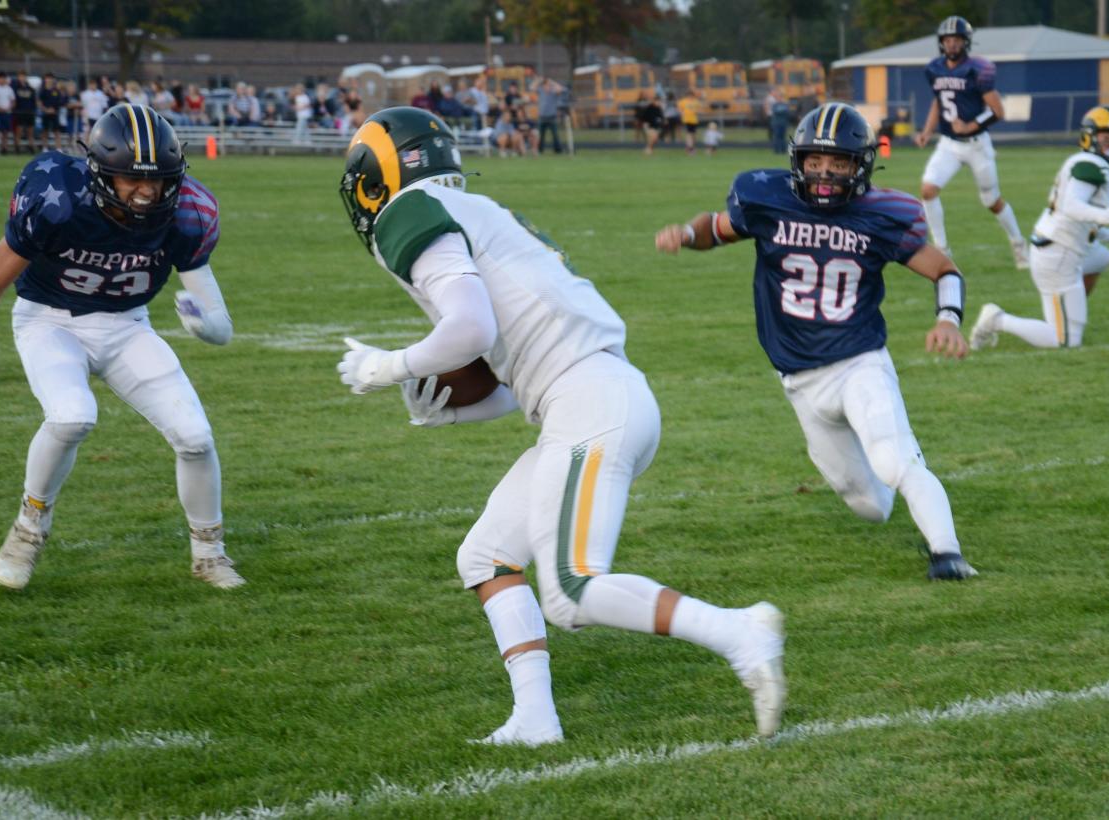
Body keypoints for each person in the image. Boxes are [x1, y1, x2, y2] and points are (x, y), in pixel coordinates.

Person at [335, 106, 787, 745]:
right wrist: (443, 403)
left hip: (591, 400)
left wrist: (388, 366)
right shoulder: (477, 210)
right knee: (486, 557)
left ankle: (740, 632)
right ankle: (535, 718)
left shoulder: (408, 213)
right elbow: (518, 373)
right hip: (588, 394)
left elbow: (472, 330)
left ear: (373, 176)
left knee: (573, 589)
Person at [654, 102, 977, 582]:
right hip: (799, 380)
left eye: (839, 163)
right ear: (798, 160)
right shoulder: (766, 199)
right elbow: (718, 229)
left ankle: (947, 554)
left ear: (861, 165)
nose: (825, 173)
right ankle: (903, 486)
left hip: (858, 362)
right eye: (816, 161)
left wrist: (948, 319)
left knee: (894, 457)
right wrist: (685, 232)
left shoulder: (881, 215)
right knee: (870, 505)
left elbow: (943, 269)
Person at [0, 103, 243, 591]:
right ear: (102, 173)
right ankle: (29, 527)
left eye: (159, 179)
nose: (148, 192)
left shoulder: (187, 211)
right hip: (50, 320)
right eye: (132, 179)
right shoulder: (57, 198)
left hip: (127, 325)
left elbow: (221, 325)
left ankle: (210, 551)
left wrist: (202, 326)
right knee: (72, 416)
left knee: (195, 436)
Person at [970, 107, 1109, 352]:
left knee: (1103, 257)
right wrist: (1102, 215)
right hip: (1059, 255)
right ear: (1090, 136)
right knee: (1064, 341)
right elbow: (1070, 205)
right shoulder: (1092, 166)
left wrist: (1103, 232)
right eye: (1107, 136)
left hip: (1059, 245)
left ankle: (1069, 307)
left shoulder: (1086, 161)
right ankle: (997, 319)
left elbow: (1070, 212)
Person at [914, 16, 1028, 268]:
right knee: (928, 190)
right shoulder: (934, 68)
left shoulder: (978, 69)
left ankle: (1018, 243)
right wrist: (927, 130)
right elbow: (938, 101)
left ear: (965, 42)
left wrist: (970, 125)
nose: (952, 44)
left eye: (956, 40)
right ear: (941, 42)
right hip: (949, 144)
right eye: (948, 40)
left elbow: (997, 110)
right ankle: (942, 250)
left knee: (992, 201)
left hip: (977, 145)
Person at [535, 77, 564, 154]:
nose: (547, 87)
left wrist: (552, 81)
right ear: (543, 86)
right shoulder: (540, 91)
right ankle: (540, 150)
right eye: (545, 85)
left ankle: (558, 150)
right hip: (542, 117)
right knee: (540, 135)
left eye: (548, 85)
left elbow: (561, 89)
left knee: (555, 135)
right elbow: (531, 87)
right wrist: (538, 80)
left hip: (552, 117)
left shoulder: (553, 92)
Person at [765, 87, 790, 154]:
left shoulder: (784, 104)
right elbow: (776, 111)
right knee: (777, 137)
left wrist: (780, 111)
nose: (779, 98)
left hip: (783, 123)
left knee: (783, 137)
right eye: (778, 97)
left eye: (780, 97)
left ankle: (783, 150)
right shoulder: (775, 105)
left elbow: (786, 112)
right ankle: (777, 150)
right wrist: (781, 111)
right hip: (776, 123)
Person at [678, 88, 701, 154]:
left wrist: (696, 111)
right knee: (689, 134)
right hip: (687, 119)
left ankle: (691, 147)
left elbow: (699, 109)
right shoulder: (683, 101)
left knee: (693, 135)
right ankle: (690, 148)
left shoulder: (696, 102)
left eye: (691, 95)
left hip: (694, 120)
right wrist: (682, 112)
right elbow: (679, 108)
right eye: (689, 95)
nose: (690, 97)